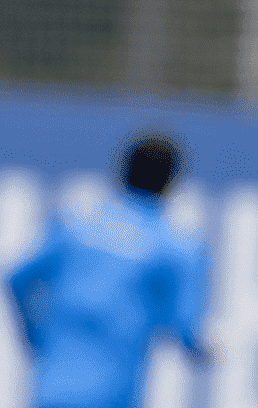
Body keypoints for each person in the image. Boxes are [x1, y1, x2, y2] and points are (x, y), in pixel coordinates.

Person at [8, 134, 209, 408]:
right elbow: (186, 329)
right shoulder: (175, 246)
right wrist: (213, 350)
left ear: (121, 170)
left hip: (50, 395)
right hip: (113, 397)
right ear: (171, 183)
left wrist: (34, 336)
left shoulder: (75, 224)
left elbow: (18, 278)